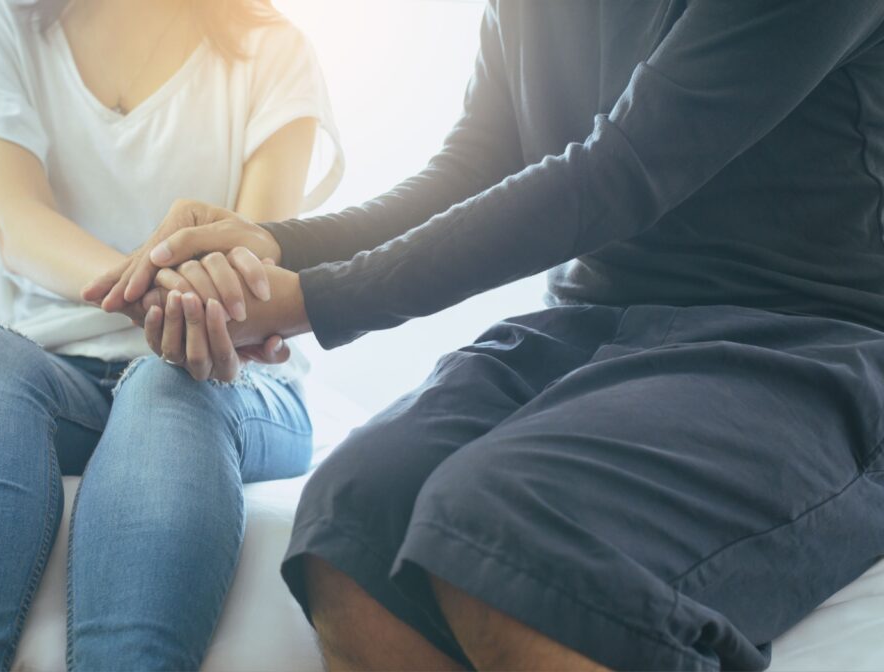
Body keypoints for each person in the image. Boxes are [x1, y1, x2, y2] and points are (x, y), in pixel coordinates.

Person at [88, 1, 884, 670]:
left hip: (804, 340)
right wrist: (275, 249)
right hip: (597, 326)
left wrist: (316, 299)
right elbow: (477, 164)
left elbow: (623, 169)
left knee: (507, 534)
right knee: (353, 524)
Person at [0, 0, 342, 669]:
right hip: (44, 357)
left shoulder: (274, 49)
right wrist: (151, 290)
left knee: (166, 388)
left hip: (214, 369)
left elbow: (255, 267)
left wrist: (170, 305)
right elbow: (16, 222)